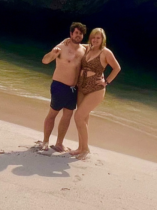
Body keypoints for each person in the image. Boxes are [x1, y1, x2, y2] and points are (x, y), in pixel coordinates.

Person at [70, 28, 121, 160]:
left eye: (98, 38)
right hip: (82, 87)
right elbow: (76, 44)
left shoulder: (106, 52)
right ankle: (81, 147)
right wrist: (65, 42)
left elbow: (117, 68)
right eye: (93, 37)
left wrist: (107, 81)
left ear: (102, 39)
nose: (95, 40)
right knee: (84, 119)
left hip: (96, 89)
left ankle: (86, 149)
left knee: (78, 117)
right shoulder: (88, 49)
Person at [39, 22, 87, 152]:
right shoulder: (61, 47)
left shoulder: (84, 50)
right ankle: (45, 141)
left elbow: (97, 47)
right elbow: (45, 60)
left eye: (80, 33)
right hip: (59, 86)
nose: (78, 35)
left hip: (73, 89)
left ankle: (59, 143)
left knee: (67, 116)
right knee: (52, 114)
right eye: (76, 33)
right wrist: (52, 54)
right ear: (71, 34)